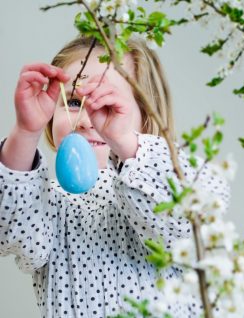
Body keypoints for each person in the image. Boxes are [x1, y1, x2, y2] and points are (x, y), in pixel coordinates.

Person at [0, 35, 230, 318]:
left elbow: (187, 227)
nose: (85, 119)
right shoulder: (48, 202)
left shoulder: (171, 175)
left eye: (105, 105)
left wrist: (124, 140)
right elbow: (14, 233)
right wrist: (25, 131)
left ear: (146, 115)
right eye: (73, 102)